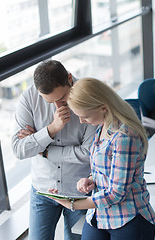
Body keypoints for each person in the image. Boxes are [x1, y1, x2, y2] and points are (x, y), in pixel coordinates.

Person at [47, 77, 155, 239]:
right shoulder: (102, 126)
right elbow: (104, 168)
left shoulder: (125, 137)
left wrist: (73, 204)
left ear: (103, 108)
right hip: (100, 214)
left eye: (85, 116)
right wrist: (91, 179)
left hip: (128, 217)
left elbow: (116, 193)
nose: (81, 121)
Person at [12, 60, 97, 240]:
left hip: (79, 190)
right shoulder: (28, 99)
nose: (59, 106)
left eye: (62, 98)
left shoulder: (88, 96)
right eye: (50, 101)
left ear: (69, 78)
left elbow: (88, 153)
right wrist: (51, 129)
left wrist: (44, 150)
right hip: (43, 190)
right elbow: (19, 150)